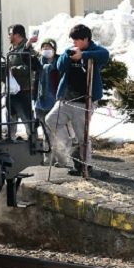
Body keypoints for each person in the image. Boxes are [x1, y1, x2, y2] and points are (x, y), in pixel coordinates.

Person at [45, 24, 109, 175]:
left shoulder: (94, 51)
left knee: (83, 136)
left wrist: (83, 56)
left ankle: (86, 167)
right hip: (66, 99)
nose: (74, 43)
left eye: (77, 40)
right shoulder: (70, 50)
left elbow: (105, 55)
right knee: (50, 120)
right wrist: (68, 55)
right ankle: (70, 146)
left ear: (86, 39)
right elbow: (60, 67)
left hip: (84, 101)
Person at [5, 24, 39, 137]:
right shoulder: (12, 48)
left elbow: (31, 66)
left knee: (27, 119)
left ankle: (33, 142)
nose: (8, 37)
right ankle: (10, 141)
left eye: (10, 34)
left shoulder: (27, 48)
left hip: (23, 91)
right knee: (10, 119)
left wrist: (14, 70)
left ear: (17, 35)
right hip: (11, 91)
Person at [34, 38, 60, 142]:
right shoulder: (39, 63)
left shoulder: (60, 62)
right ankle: (49, 150)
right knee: (45, 130)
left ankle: (57, 150)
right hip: (40, 103)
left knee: (54, 130)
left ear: (54, 49)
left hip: (55, 101)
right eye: (43, 48)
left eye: (48, 47)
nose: (45, 49)